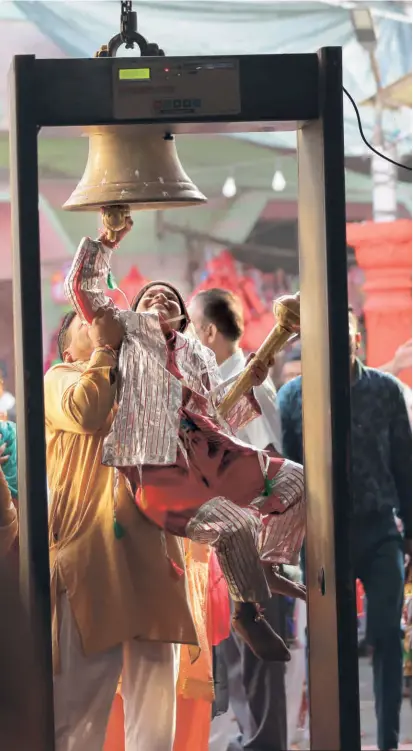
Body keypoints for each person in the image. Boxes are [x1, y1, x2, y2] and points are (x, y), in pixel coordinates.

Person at [64, 221, 306, 663]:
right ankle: (246, 611)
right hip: (160, 471)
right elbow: (82, 288)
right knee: (235, 524)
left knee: (296, 483)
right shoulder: (129, 336)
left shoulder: (199, 355)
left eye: (170, 298)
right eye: (150, 296)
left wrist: (250, 385)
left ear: (183, 318)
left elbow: (218, 419)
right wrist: (106, 239)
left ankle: (266, 564)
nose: (161, 299)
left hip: (216, 458)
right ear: (131, 312)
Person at [45, 310, 198, 751]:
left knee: (154, 719)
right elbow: (87, 411)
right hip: (90, 557)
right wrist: (107, 350)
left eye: (106, 322)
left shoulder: (146, 389)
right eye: (86, 324)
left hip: (152, 556)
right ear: (67, 347)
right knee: (78, 718)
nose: (98, 327)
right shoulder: (59, 378)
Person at [278, 308, 412, 751]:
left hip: (380, 531)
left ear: (356, 342)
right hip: (322, 537)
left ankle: (389, 740)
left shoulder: (387, 391)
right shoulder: (293, 397)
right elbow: (286, 474)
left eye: (341, 340)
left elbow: (405, 467)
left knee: (386, 635)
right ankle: (335, 739)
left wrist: (411, 533)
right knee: (326, 641)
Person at [190, 288, 303, 751]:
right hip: (226, 538)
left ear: (209, 332)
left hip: (254, 541)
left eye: (192, 329)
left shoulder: (250, 384)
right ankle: (250, 737)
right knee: (236, 653)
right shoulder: (219, 383)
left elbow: (272, 463)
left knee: (258, 656)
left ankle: (264, 741)